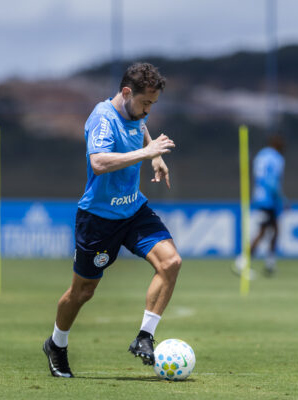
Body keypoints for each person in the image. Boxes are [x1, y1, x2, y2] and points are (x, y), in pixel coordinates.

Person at [43, 62, 181, 378]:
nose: (148, 110)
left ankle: (145, 336)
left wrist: (154, 155)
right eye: (145, 102)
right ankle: (56, 344)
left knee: (171, 263)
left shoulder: (136, 112)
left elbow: (140, 127)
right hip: (99, 219)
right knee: (82, 292)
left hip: (133, 210)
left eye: (153, 104)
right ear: (126, 92)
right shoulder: (102, 118)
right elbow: (99, 161)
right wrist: (147, 153)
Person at [233, 135, 286, 278]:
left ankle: (270, 263)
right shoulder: (276, 158)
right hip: (269, 199)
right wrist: (281, 199)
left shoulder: (261, 155)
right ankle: (242, 262)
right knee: (263, 231)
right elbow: (271, 181)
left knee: (275, 229)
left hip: (259, 196)